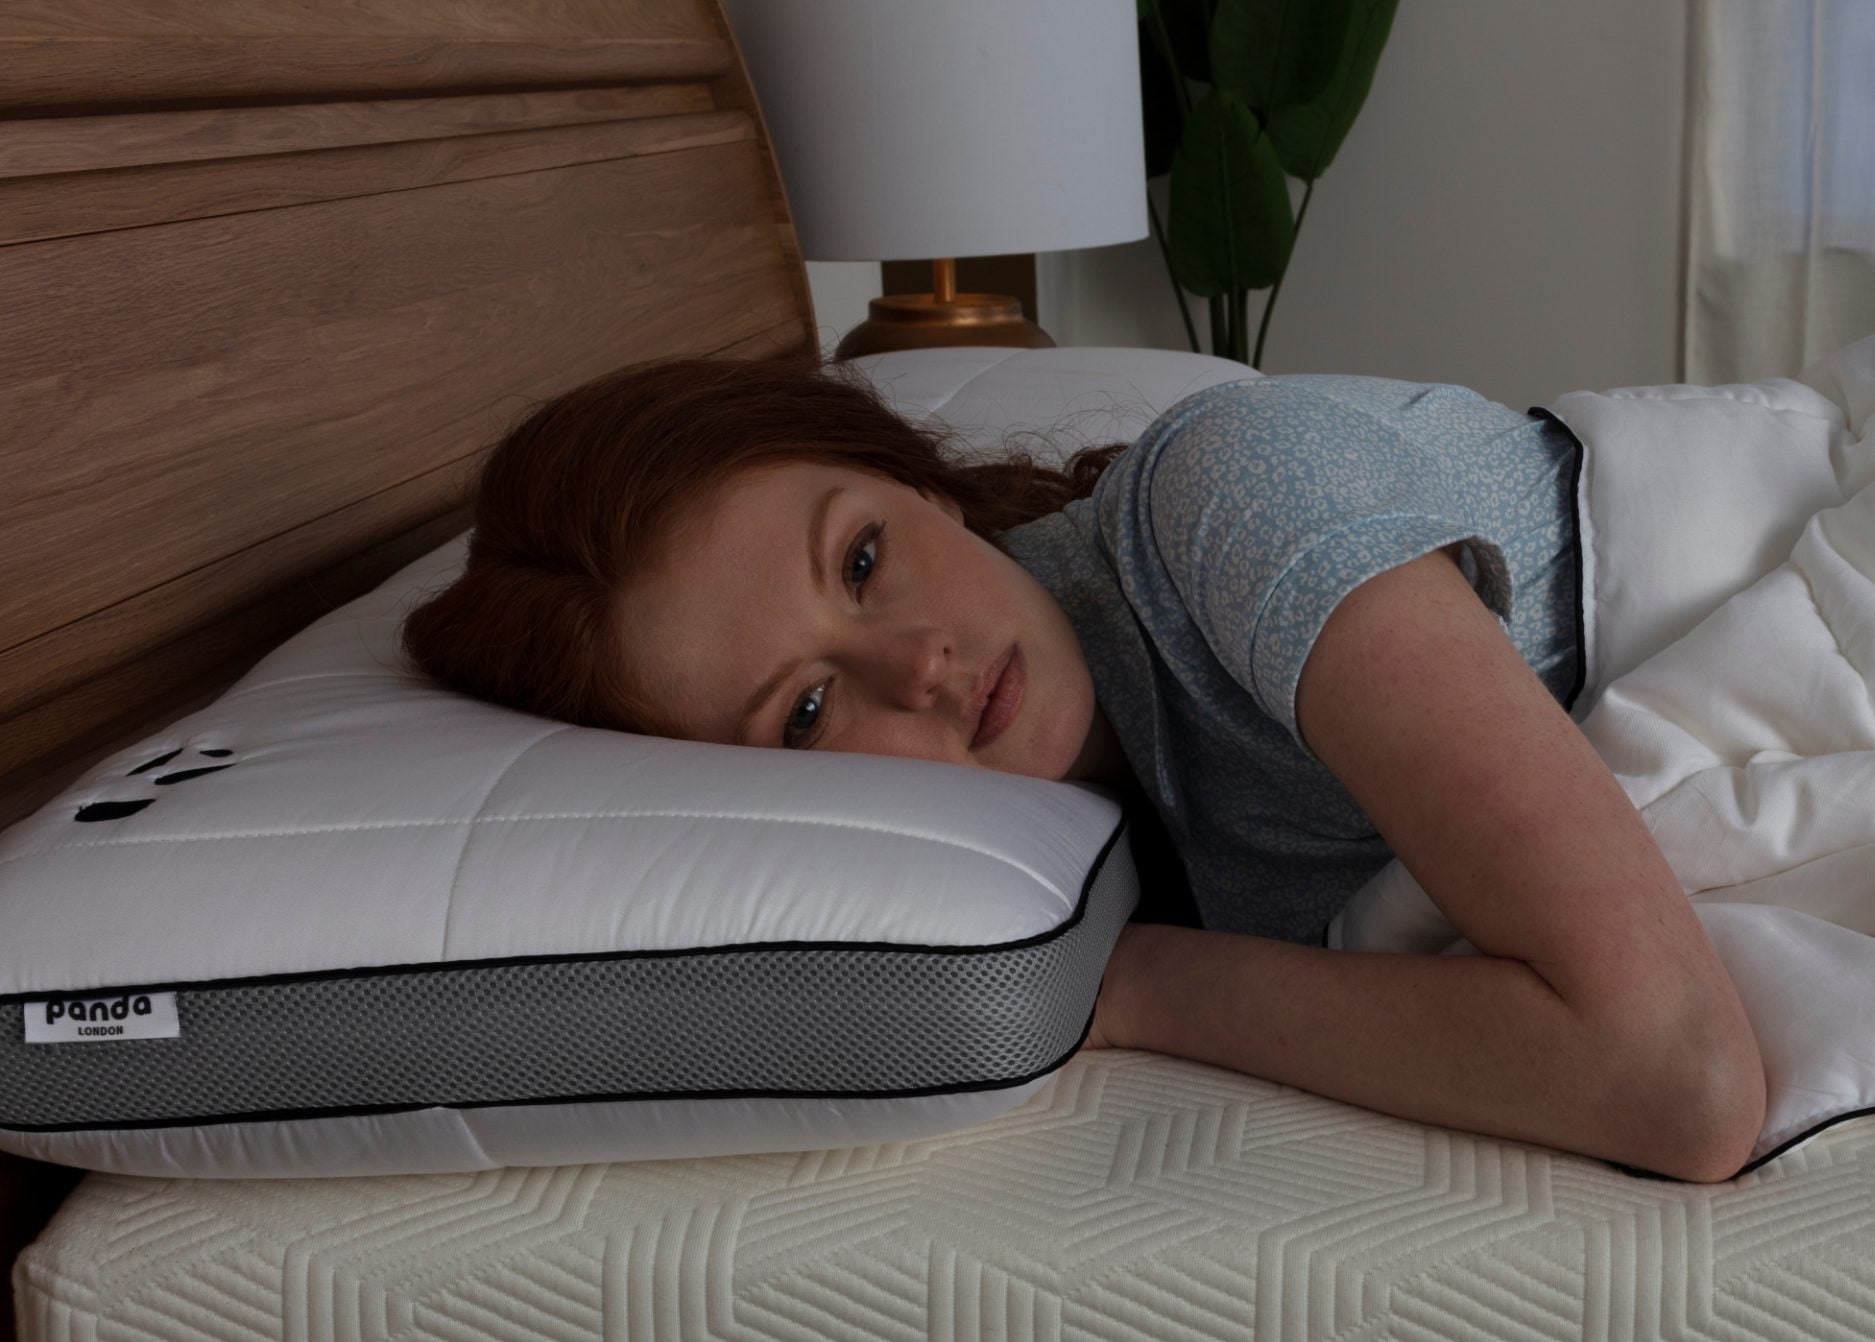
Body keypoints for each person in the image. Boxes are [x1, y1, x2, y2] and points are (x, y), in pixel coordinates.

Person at [401, 355, 1766, 1184]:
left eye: (864, 556)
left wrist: (1141, 992)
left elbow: (1679, 1080)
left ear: (918, 482)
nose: (921, 663)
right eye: (809, 708)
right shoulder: (1064, 833)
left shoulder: (1231, 497)